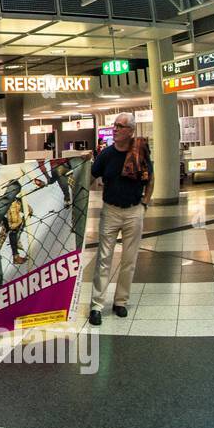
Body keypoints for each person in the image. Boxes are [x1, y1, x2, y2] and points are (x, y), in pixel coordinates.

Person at [88, 112, 153, 326]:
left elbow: (150, 180)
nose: (115, 129)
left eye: (121, 126)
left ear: (131, 131)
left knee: (129, 259)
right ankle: (97, 305)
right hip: (111, 211)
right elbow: (90, 176)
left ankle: (121, 302)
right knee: (104, 259)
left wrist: (145, 202)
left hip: (134, 211)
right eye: (115, 125)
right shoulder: (106, 155)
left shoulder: (140, 153)